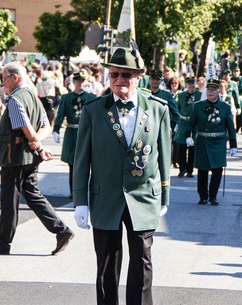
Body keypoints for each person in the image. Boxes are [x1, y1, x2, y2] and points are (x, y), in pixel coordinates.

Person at [73, 46, 171, 305]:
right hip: (105, 197)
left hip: (143, 197)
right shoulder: (93, 110)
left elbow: (164, 156)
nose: (119, 80)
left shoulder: (158, 108)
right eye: (114, 74)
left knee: (142, 263)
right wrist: (80, 201)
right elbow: (81, 160)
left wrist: (165, 194)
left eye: (126, 75)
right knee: (107, 264)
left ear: (138, 77)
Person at [0, 62, 74, 255]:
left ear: (15, 77)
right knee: (32, 194)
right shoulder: (32, 96)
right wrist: (38, 143)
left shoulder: (15, 100)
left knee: (9, 199)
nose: (3, 84)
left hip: (15, 156)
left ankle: (3, 241)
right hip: (28, 156)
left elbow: (25, 125)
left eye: (4, 79)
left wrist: (35, 142)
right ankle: (61, 230)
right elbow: (45, 124)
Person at [186, 79, 237, 205]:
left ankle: (213, 196)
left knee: (217, 170)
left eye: (214, 89)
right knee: (202, 170)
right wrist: (188, 136)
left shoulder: (225, 107)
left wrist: (233, 145)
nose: (211, 92)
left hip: (218, 142)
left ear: (218, 91)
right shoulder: (198, 106)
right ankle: (203, 196)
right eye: (209, 89)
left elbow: (230, 127)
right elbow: (191, 124)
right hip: (203, 141)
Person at [53, 72, 96, 198]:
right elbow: (60, 114)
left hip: (87, 133)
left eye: (82, 81)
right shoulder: (66, 98)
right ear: (74, 82)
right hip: (71, 133)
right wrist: (56, 129)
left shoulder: (91, 97)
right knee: (72, 165)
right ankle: (74, 192)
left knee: (88, 164)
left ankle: (87, 191)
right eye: (78, 81)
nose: (80, 83)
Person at [174, 76, 201, 177]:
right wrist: (177, 122)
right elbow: (177, 109)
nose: (191, 86)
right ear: (186, 85)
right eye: (189, 84)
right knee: (181, 147)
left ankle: (190, 170)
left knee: (192, 147)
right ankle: (182, 169)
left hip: (194, 123)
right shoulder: (181, 95)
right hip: (183, 122)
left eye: (193, 83)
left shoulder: (199, 95)